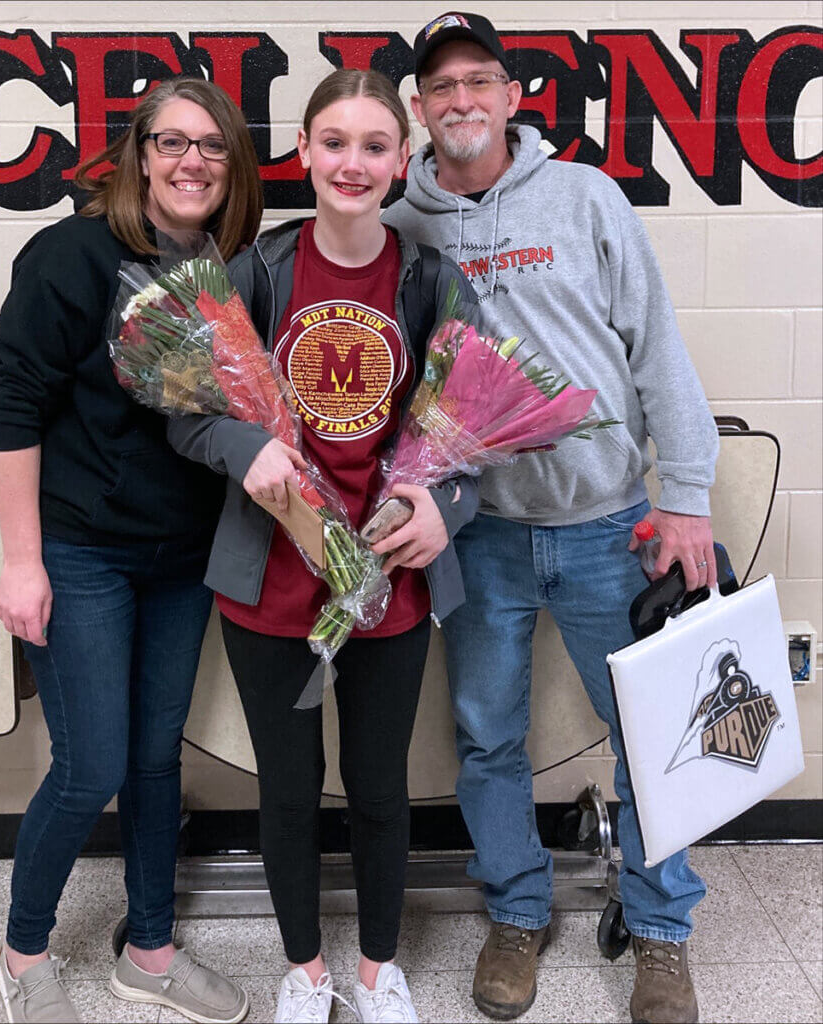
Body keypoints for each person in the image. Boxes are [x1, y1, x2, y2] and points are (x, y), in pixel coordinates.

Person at [384, 12, 719, 1024]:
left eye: (478, 80)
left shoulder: (585, 199)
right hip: (477, 535)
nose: (461, 101)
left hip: (606, 528)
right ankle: (517, 911)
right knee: (486, 737)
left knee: (650, 736)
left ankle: (661, 934)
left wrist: (686, 497)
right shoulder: (403, 223)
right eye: (440, 87)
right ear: (418, 109)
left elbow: (654, 345)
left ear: (512, 94)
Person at [167, 68, 478, 1024]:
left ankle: (380, 969)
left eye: (375, 145)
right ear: (303, 153)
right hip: (271, 582)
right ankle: (305, 970)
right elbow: (187, 416)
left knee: (383, 789)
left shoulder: (432, 278)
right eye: (333, 143)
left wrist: (443, 510)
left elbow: (470, 433)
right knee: (289, 791)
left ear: (403, 161)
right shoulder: (255, 274)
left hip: (390, 584)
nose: (353, 162)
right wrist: (243, 442)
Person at [0, 77, 263, 1024]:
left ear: (231, 169)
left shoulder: (231, 268)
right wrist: (23, 563)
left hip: (181, 559)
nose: (192, 162)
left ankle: (148, 949)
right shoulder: (70, 254)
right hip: (82, 555)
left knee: (153, 762)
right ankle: (22, 951)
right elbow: (12, 404)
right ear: (139, 154)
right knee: (90, 765)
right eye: (172, 142)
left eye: (212, 147)